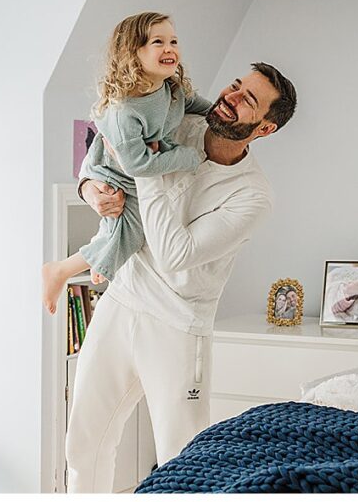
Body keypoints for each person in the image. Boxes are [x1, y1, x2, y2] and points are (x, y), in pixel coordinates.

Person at [65, 61, 297, 493]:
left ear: (265, 129)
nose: (230, 98)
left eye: (248, 100)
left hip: (176, 323)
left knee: (183, 459)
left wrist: (145, 166)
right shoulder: (179, 123)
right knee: (84, 443)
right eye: (235, 86)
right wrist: (90, 189)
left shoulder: (253, 196)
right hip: (122, 298)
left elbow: (176, 254)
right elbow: (100, 154)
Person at [41, 12, 213, 313]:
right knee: (129, 230)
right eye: (157, 42)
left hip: (130, 167)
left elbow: (197, 105)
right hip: (113, 171)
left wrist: (217, 119)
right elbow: (138, 165)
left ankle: (105, 259)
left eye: (173, 41)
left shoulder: (171, 89)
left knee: (126, 233)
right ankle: (60, 270)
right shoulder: (125, 110)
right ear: (133, 53)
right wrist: (188, 157)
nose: (169, 48)